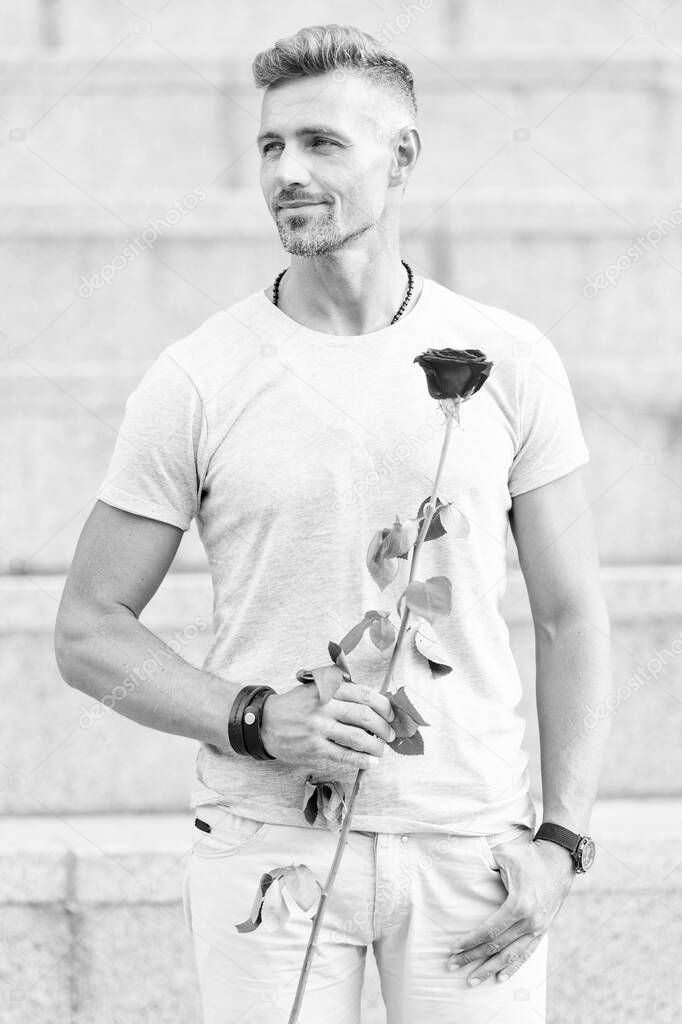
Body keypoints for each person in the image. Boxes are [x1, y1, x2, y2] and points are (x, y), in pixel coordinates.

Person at [54, 24, 613, 1024]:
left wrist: (561, 840)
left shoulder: (510, 359)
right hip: (267, 847)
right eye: (271, 146)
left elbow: (573, 614)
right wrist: (256, 718)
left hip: (472, 855)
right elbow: (89, 630)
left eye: (320, 143)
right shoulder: (199, 376)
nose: (286, 172)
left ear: (401, 158)